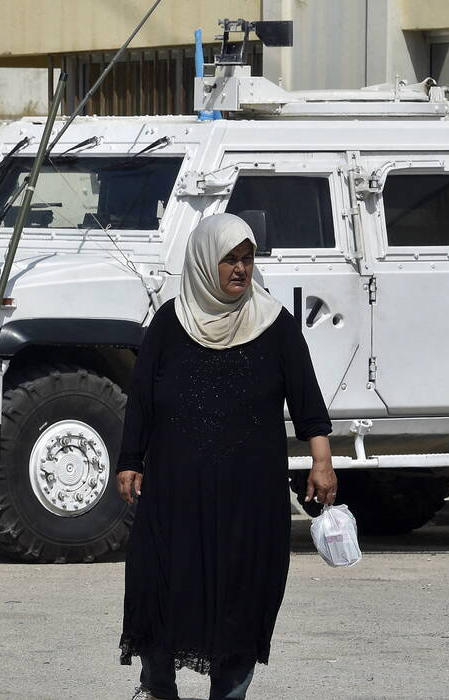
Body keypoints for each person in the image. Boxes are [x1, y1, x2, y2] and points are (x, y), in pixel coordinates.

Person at [115, 213, 338, 700]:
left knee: (243, 597)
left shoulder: (275, 324)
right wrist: (130, 460)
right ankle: (157, 688)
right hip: (175, 494)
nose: (240, 269)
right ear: (202, 262)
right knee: (160, 589)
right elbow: (142, 399)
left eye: (247, 258)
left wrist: (322, 461)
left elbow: (307, 400)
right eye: (229, 259)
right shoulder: (170, 323)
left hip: (250, 499)